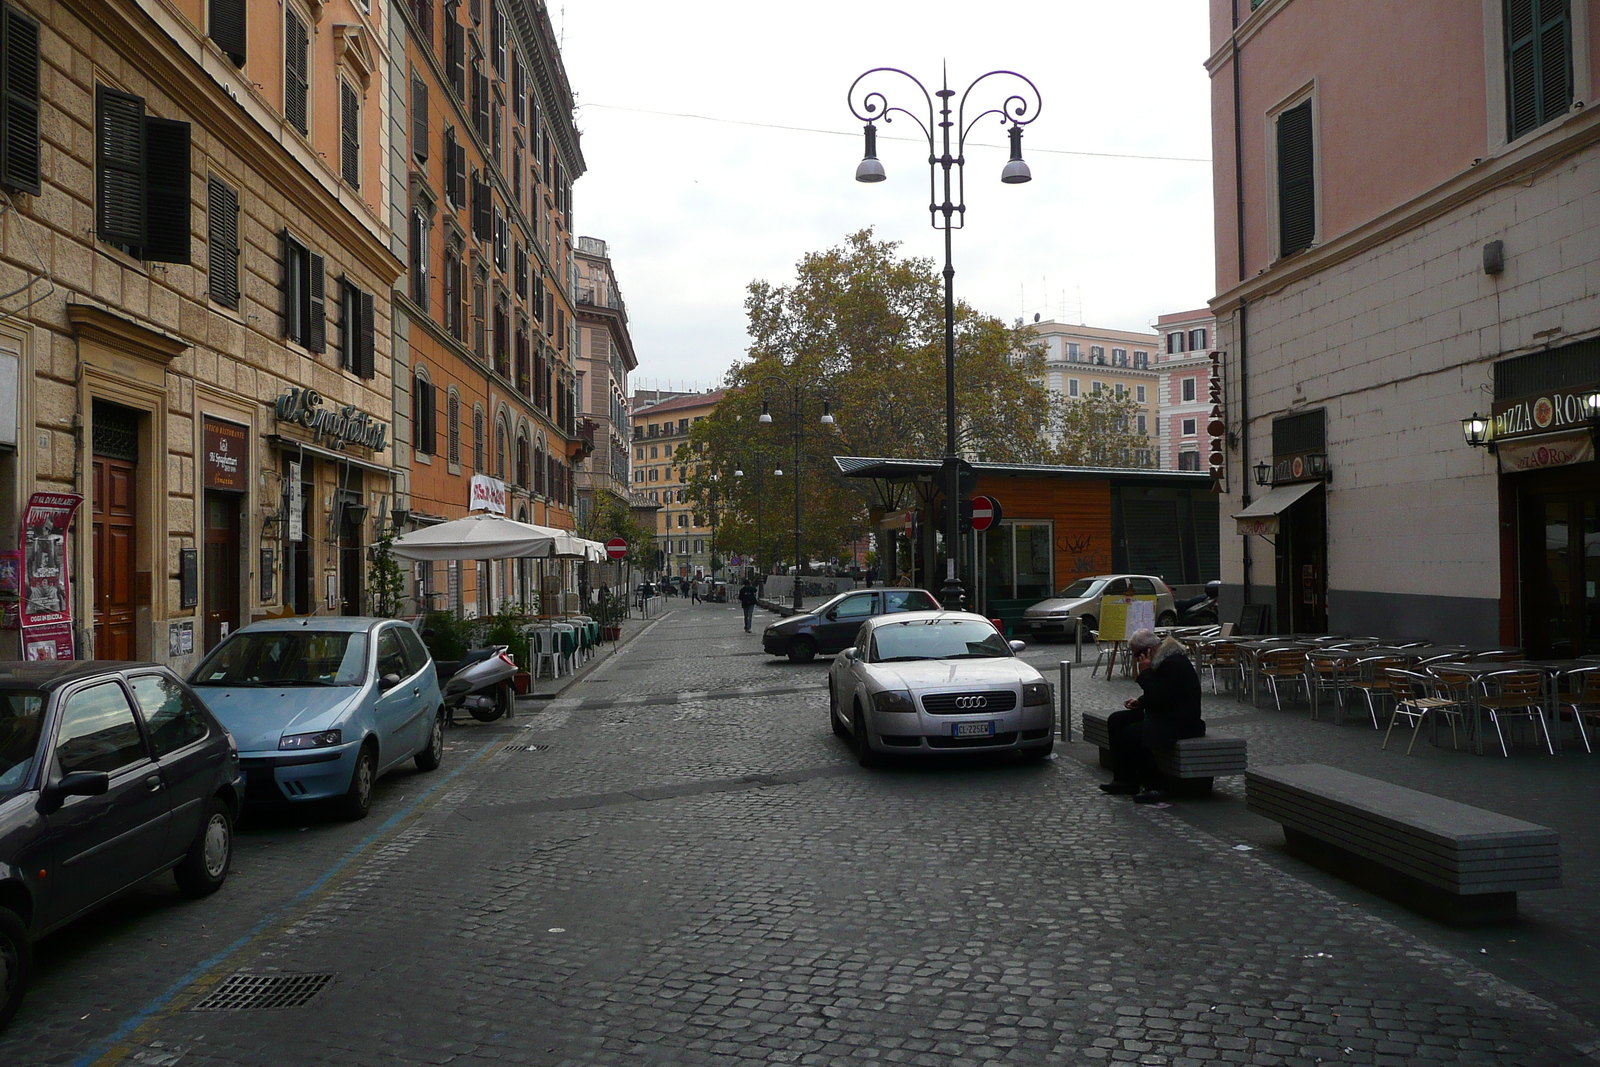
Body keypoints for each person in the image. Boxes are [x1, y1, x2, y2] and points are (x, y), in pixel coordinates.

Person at [1102, 628, 1204, 804]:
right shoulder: (1161, 660)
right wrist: (1141, 702)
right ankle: (1125, 780)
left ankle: (1155, 785)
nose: (1136, 659)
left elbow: (1160, 696)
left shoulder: (1171, 663)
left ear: (1148, 649)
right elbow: (1160, 693)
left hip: (1182, 721)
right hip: (1166, 713)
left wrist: (1145, 673)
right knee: (1117, 721)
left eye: (1137, 655)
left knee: (1133, 734)